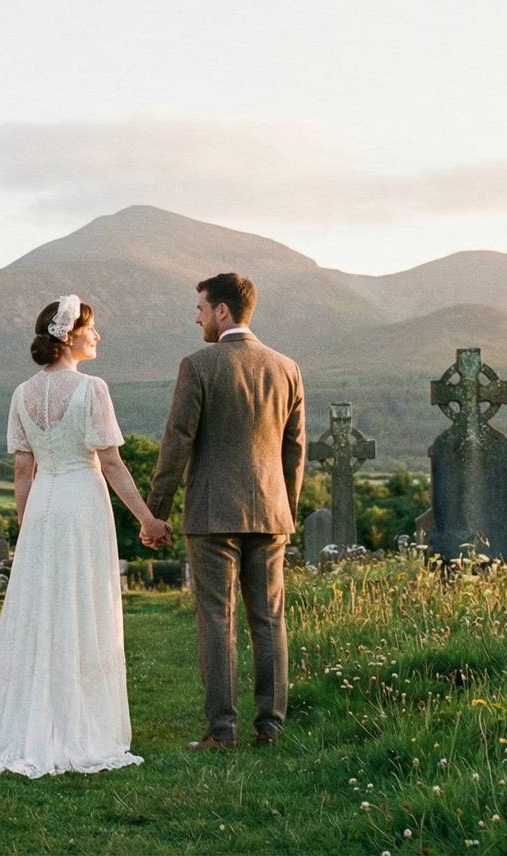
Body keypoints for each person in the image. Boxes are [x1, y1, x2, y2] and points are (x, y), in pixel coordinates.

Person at [0, 295, 170, 778]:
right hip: (82, 502)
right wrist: (147, 519)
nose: (97, 337)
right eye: (91, 329)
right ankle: (80, 725)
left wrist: (27, 525)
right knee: (82, 605)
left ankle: (32, 716)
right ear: (68, 336)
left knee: (41, 609)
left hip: (42, 508)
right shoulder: (92, 389)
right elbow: (112, 462)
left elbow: (22, 470)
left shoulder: (22, 393)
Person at [147, 272, 305, 750]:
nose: (196, 317)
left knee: (217, 619)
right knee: (269, 619)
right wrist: (287, 512)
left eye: (200, 308)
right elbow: (295, 450)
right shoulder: (287, 368)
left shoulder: (198, 365)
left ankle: (222, 732)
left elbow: (177, 442)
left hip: (213, 516)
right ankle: (271, 728)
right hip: (272, 514)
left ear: (222, 311)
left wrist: (156, 512)